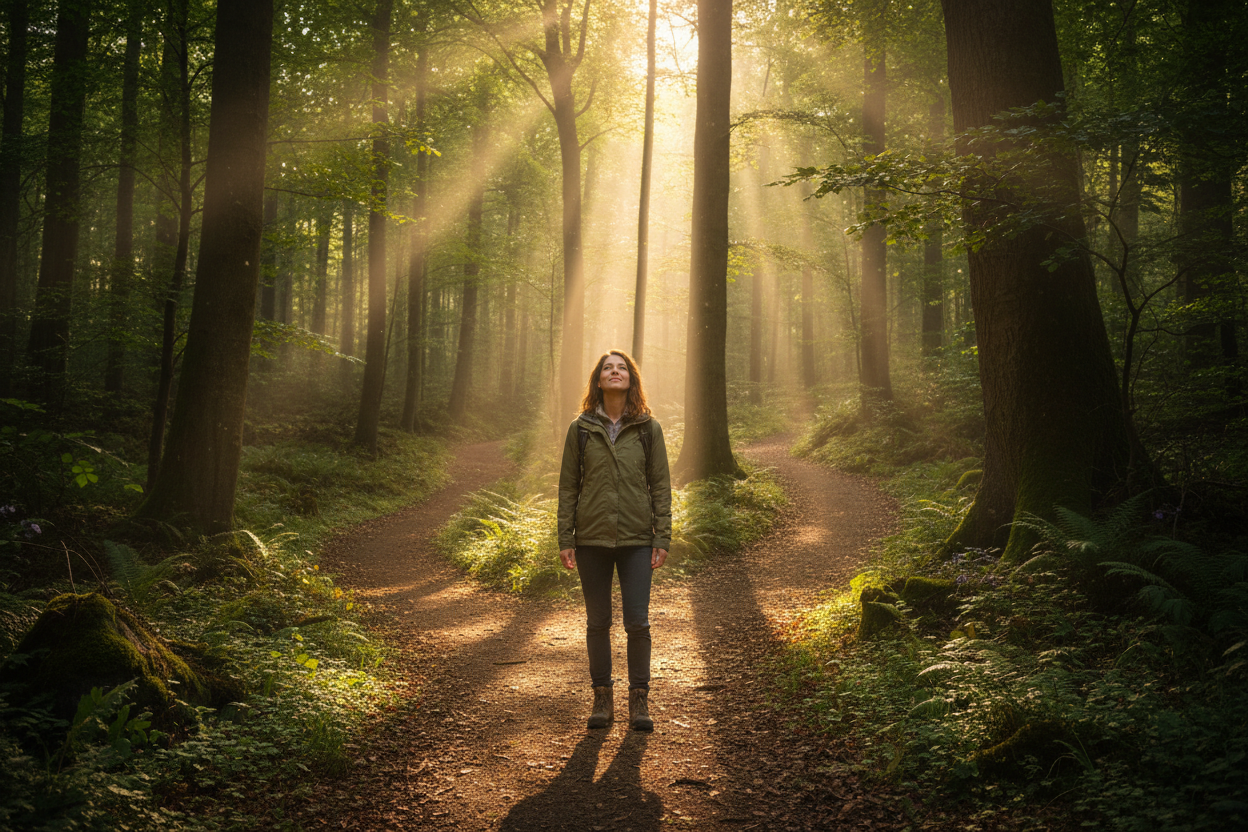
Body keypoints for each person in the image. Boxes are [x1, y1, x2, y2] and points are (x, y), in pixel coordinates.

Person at [558, 349, 671, 732]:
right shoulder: (581, 428)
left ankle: (639, 700)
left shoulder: (647, 428)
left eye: (621, 367)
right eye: (608, 368)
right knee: (598, 622)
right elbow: (568, 487)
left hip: (638, 538)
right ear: (599, 379)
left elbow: (661, 486)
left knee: (638, 623)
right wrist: (565, 537)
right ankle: (602, 698)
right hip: (591, 539)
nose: (615, 371)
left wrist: (663, 536)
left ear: (631, 378)